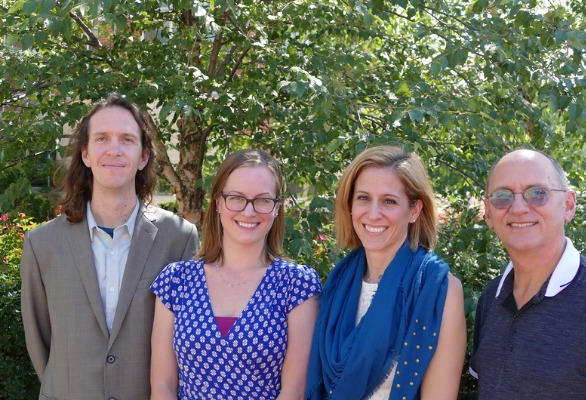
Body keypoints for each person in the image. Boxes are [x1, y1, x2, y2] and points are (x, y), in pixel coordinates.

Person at [20, 94, 199, 400]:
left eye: (126, 139)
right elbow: (40, 342)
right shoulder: (42, 244)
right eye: (102, 138)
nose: (114, 149)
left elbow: (185, 342)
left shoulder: (179, 238)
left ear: (143, 157)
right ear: (86, 154)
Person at [150, 148, 322, 399]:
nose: (249, 211)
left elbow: (294, 392)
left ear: (276, 208)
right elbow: (163, 385)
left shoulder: (297, 285)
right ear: (219, 202)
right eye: (237, 197)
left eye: (263, 200)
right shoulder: (176, 281)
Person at [306, 145, 466, 400]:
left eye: (389, 201)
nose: (373, 213)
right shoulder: (338, 283)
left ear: (414, 210)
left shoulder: (438, 288)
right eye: (363, 198)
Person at [470, 149, 586, 398]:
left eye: (538, 193)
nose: (518, 208)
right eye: (502, 196)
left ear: (569, 205)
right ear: (488, 213)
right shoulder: (490, 299)